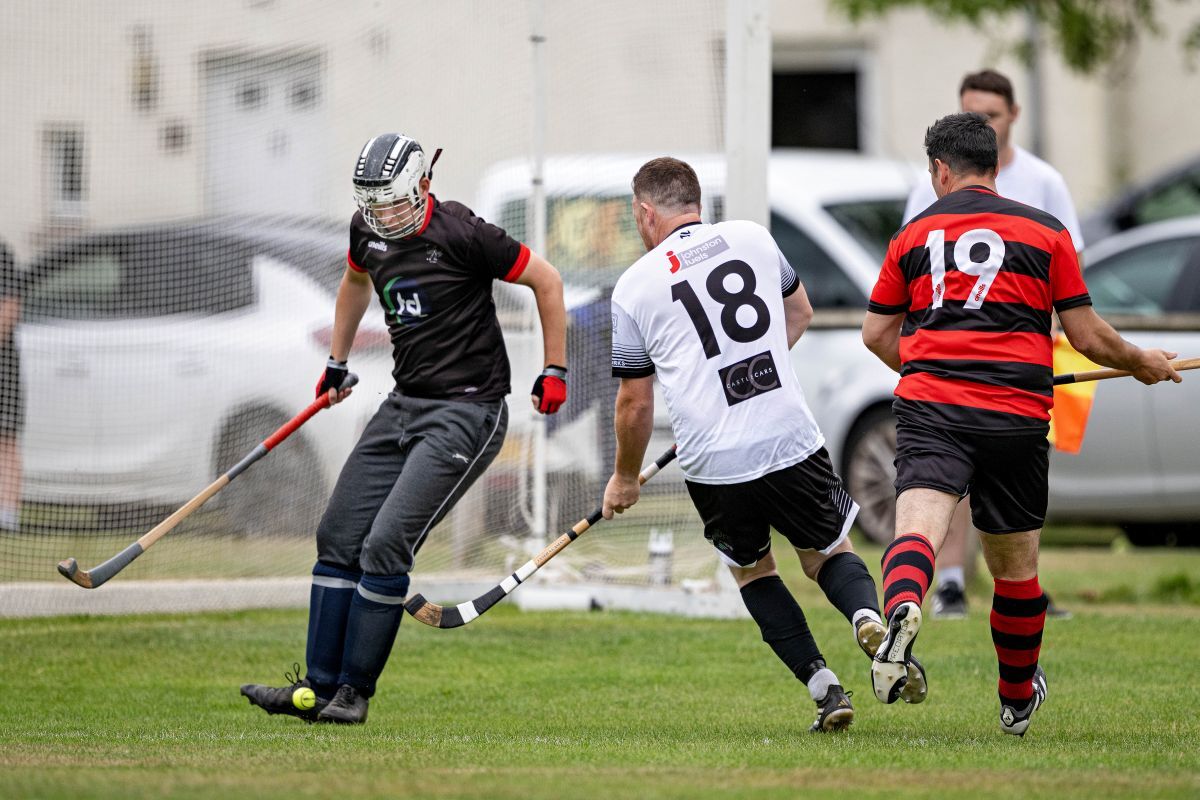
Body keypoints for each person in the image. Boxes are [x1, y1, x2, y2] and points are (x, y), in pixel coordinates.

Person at [862, 112, 1180, 734]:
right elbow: (1085, 334)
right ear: (996, 166)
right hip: (1013, 415)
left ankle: (902, 605)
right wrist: (1141, 361)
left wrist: (931, 362)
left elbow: (877, 332)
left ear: (940, 170)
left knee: (919, 531)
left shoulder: (911, 236)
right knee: (1015, 567)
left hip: (933, 410)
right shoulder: (1046, 232)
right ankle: (1014, 701)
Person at [242, 132, 568, 724]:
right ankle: (317, 688)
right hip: (404, 403)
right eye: (375, 204)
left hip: (469, 412)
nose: (384, 216)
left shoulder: (465, 232)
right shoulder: (366, 230)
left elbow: (547, 282)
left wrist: (553, 368)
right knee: (337, 536)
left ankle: (354, 694)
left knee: (384, 544)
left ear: (422, 185)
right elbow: (354, 284)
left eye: (394, 202)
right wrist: (336, 364)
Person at [602, 157, 925, 734]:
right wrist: (753, 373)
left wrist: (625, 477)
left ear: (648, 213)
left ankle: (825, 688)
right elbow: (797, 313)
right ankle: (867, 617)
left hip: (713, 462)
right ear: (695, 203)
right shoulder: (752, 236)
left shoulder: (634, 285)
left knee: (753, 571)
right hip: (788, 438)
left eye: (636, 216)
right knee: (827, 552)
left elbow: (635, 402)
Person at [904, 69, 1084, 620]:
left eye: (992, 113)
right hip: (956, 368)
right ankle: (952, 583)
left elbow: (1070, 266)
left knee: (1008, 475)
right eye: (972, 111)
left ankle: (1018, 583)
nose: (983, 121)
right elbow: (914, 265)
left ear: (1014, 116)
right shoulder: (927, 188)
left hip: (1023, 361)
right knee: (954, 479)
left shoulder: (1043, 182)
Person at [0, 240, 22, 534]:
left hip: (3, 367)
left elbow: (10, 308)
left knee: (5, 439)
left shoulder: (2, 254)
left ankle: (6, 516)